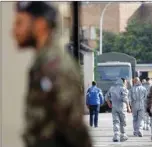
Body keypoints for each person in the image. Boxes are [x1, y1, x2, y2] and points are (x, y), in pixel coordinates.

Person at [13, 2, 91, 147]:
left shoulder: (54, 66)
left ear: (40, 25)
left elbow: (73, 127)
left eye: (20, 23)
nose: (14, 31)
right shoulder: (42, 63)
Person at [105, 78, 131, 142]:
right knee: (123, 121)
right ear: (123, 82)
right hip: (122, 108)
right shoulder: (123, 89)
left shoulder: (112, 88)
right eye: (125, 82)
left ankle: (116, 135)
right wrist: (128, 107)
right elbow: (125, 98)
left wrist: (109, 103)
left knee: (115, 121)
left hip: (114, 107)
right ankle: (123, 135)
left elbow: (106, 96)